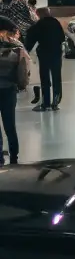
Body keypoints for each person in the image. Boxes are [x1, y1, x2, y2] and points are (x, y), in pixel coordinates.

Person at [0, 14, 30, 166]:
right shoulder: (17, 47)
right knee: (10, 126)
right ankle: (14, 158)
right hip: (9, 90)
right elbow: (25, 68)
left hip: (7, 90)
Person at [25, 6, 66, 112]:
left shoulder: (40, 24)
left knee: (45, 79)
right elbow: (62, 37)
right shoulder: (56, 22)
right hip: (56, 53)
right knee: (57, 77)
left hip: (44, 54)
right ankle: (56, 103)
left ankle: (46, 103)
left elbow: (31, 36)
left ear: (40, 14)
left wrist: (26, 50)